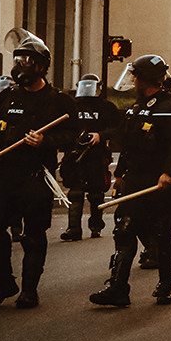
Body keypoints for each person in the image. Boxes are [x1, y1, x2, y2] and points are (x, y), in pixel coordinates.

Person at [0, 34, 75, 309]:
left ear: (42, 66)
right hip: (4, 175)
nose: (21, 66)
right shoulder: (6, 96)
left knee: (34, 236)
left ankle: (29, 291)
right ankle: (3, 284)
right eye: (18, 60)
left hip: (35, 176)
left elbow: (73, 136)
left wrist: (46, 141)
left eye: (28, 61)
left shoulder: (58, 101)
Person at [91, 54, 171, 307]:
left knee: (161, 231)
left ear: (147, 78)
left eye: (136, 76)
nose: (134, 81)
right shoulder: (136, 108)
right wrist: (120, 174)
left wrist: (169, 173)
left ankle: (166, 285)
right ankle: (118, 288)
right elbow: (128, 146)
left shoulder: (170, 108)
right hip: (136, 178)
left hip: (159, 180)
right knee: (124, 228)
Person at [60, 75, 120, 241]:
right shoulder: (73, 105)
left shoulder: (106, 107)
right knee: (75, 192)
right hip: (75, 154)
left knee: (96, 193)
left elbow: (117, 127)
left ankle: (96, 226)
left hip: (97, 155)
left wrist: (101, 135)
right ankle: (73, 228)